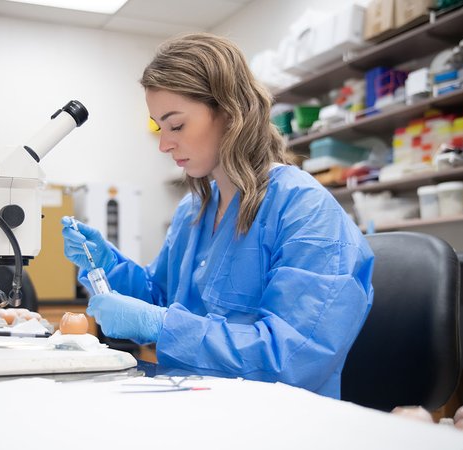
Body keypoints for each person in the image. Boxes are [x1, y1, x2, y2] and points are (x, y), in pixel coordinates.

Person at [61, 33, 374, 399]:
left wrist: (162, 326)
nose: (164, 144)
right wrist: (107, 266)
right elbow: (162, 298)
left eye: (176, 125)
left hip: (275, 419)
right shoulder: (194, 210)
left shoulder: (305, 211)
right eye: (159, 127)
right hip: (191, 401)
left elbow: (292, 358)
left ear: (230, 113)